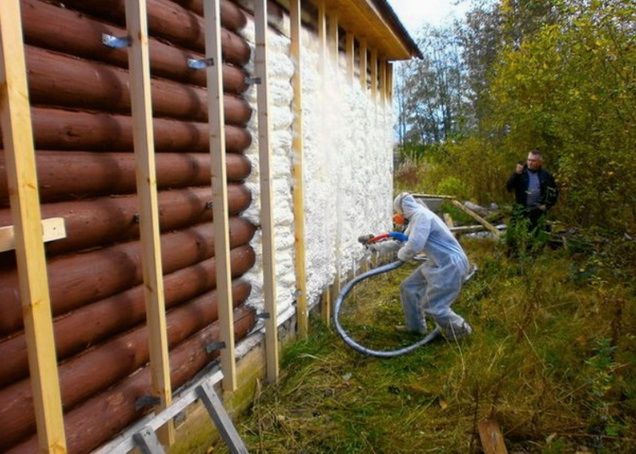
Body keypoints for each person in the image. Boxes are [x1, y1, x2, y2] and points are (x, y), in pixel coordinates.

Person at [393, 192, 472, 340]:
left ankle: (462, 331)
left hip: (450, 264)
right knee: (408, 287)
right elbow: (401, 242)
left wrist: (401, 255)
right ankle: (415, 328)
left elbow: (414, 245)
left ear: (403, 209)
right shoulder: (416, 219)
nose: (399, 216)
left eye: (398, 212)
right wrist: (375, 247)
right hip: (437, 262)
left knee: (433, 306)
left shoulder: (422, 217)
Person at [506, 149, 558, 231]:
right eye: (529, 160)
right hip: (521, 210)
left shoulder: (546, 175)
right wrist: (515, 174)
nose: (530, 163)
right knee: (517, 235)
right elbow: (509, 187)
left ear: (540, 162)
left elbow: (554, 192)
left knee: (535, 234)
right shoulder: (521, 173)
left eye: (533, 161)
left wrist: (547, 205)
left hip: (538, 211)